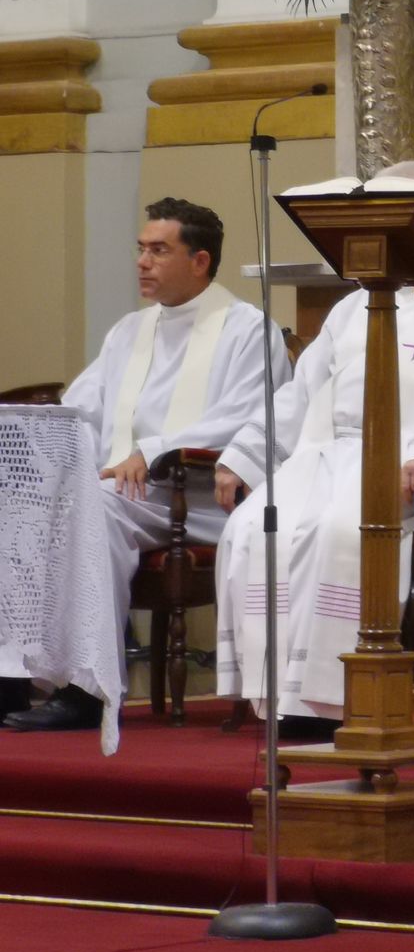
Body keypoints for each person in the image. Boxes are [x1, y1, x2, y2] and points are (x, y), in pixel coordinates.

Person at [211, 165, 414, 731]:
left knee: (336, 532)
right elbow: (303, 390)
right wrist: (246, 454)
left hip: (403, 460)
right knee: (256, 526)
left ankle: (333, 698)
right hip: (329, 455)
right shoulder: (354, 304)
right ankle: (279, 693)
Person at [3, 198, 289, 731]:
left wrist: (152, 448)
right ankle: (14, 678)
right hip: (132, 495)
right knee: (22, 504)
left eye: (159, 250)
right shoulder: (130, 332)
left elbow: (250, 418)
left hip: (203, 497)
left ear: (200, 261)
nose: (142, 262)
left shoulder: (248, 331)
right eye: (141, 250)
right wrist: (36, 447)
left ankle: (85, 690)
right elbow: (81, 414)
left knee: (95, 509)